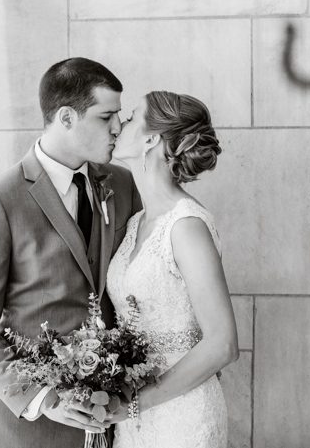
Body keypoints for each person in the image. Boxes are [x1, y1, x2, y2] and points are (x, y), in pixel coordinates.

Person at [0, 57, 142, 448]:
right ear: (67, 117)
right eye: (107, 117)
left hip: (113, 423)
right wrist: (44, 398)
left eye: (119, 116)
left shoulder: (121, 183)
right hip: (25, 429)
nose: (119, 128)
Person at [105, 90, 238, 447]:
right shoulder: (135, 223)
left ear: (152, 138)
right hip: (134, 421)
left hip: (184, 417)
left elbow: (223, 344)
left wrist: (133, 404)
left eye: (131, 117)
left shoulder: (186, 226)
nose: (120, 124)